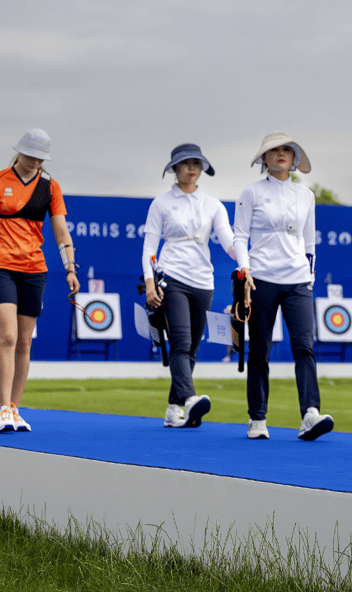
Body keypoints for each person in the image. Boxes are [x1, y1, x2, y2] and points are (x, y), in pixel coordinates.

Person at [0, 129, 79, 433]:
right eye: (30, 155)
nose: (34, 161)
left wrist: (70, 268)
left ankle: (14, 408)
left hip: (35, 270)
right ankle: (2, 410)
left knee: (24, 341)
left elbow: (61, 231)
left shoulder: (50, 187)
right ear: (19, 152)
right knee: (7, 337)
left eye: (40, 157)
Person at [233, 132, 333, 441]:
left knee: (305, 347)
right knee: (260, 348)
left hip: (298, 280)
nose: (280, 154)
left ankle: (310, 413)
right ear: (263, 158)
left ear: (294, 158)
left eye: (286, 150)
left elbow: (310, 240)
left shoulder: (306, 195)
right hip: (261, 277)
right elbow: (239, 236)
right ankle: (258, 419)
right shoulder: (250, 192)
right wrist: (244, 269)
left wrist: (310, 276)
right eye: (273, 150)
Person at [143, 143, 235, 428]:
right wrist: (149, 282)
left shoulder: (213, 204)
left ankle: (173, 408)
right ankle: (190, 399)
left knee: (192, 348)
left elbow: (229, 242)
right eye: (186, 164)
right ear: (174, 168)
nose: (192, 169)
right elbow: (149, 248)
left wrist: (246, 263)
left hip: (203, 281)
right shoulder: (161, 203)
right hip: (172, 277)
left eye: (197, 163)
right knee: (180, 343)